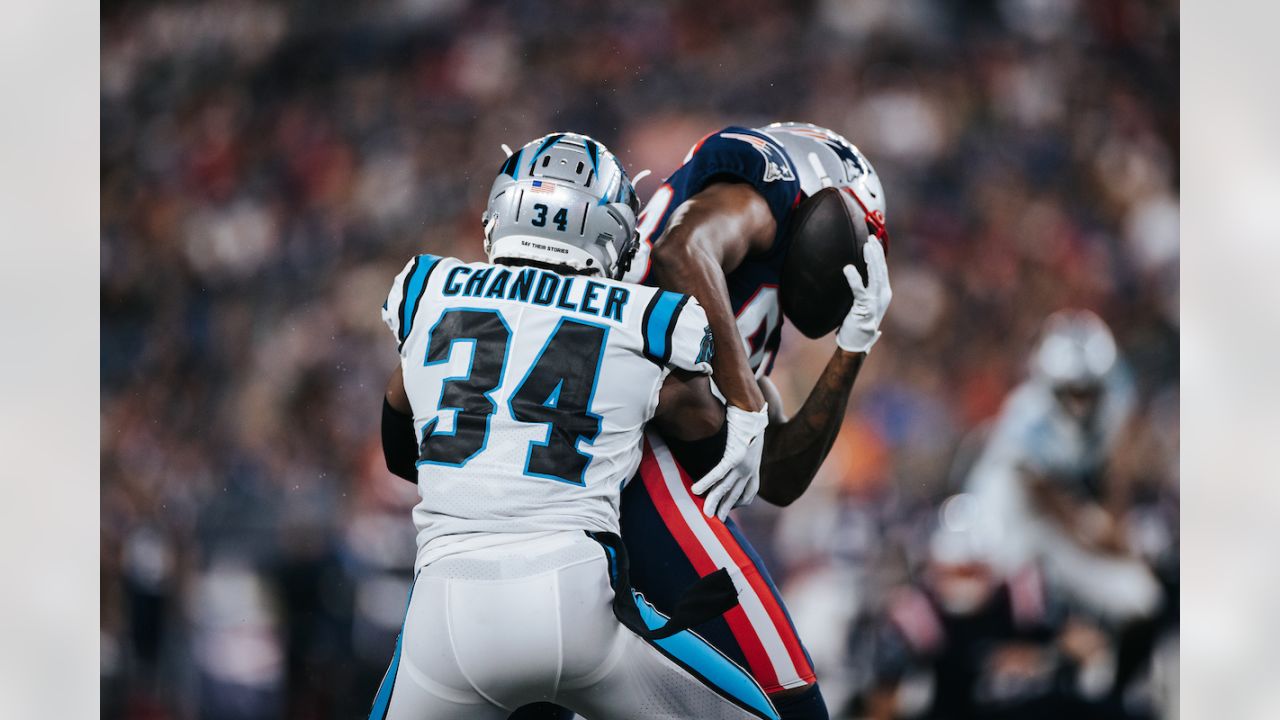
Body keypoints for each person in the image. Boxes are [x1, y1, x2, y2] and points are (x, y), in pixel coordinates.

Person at [370, 132, 778, 720]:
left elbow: (399, 446)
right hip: (575, 599)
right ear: (611, 229)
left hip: (447, 611)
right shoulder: (649, 320)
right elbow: (709, 445)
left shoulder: (428, 290)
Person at [615, 123, 894, 720]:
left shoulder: (746, 300)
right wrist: (743, 402)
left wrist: (853, 345)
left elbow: (780, 477)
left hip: (619, 462)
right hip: (631, 452)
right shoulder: (772, 181)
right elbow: (682, 249)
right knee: (787, 699)